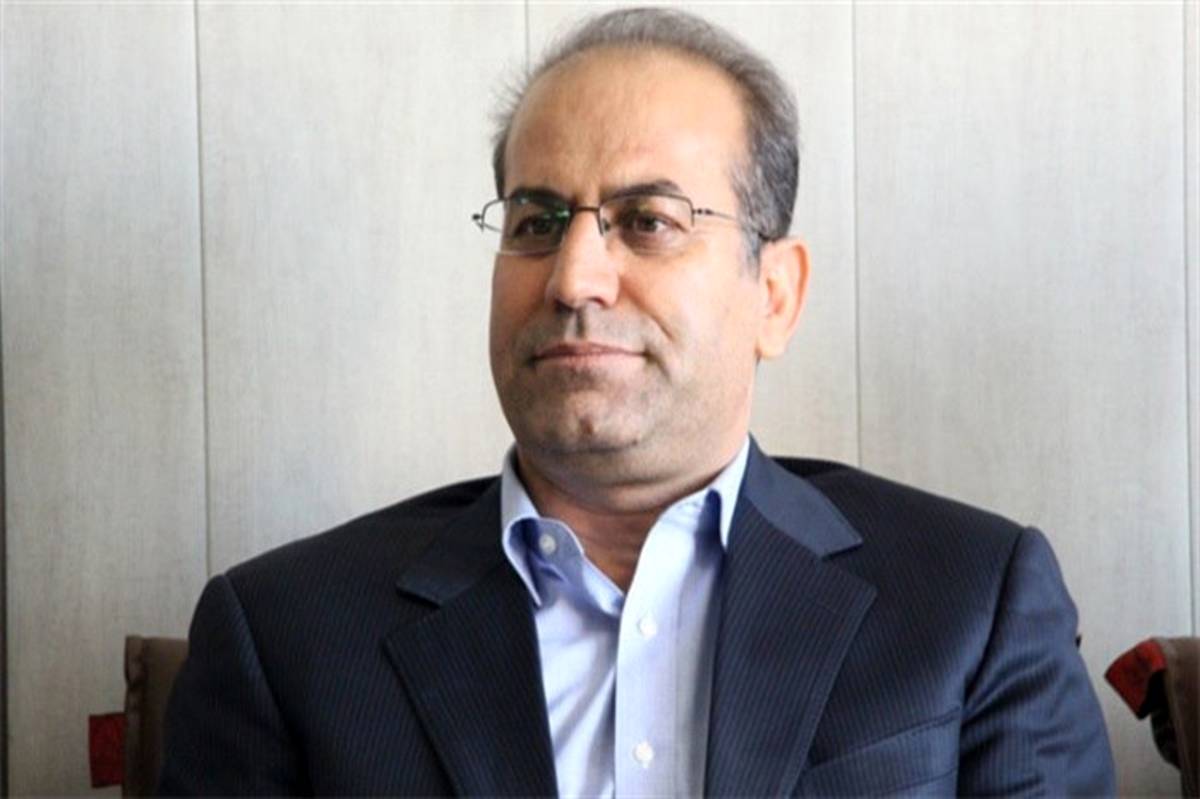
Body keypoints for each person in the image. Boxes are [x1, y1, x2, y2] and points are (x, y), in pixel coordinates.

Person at [159, 7, 1116, 796]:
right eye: (536, 221)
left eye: (648, 221)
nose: (573, 276)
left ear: (775, 295)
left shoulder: (971, 601)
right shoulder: (285, 636)